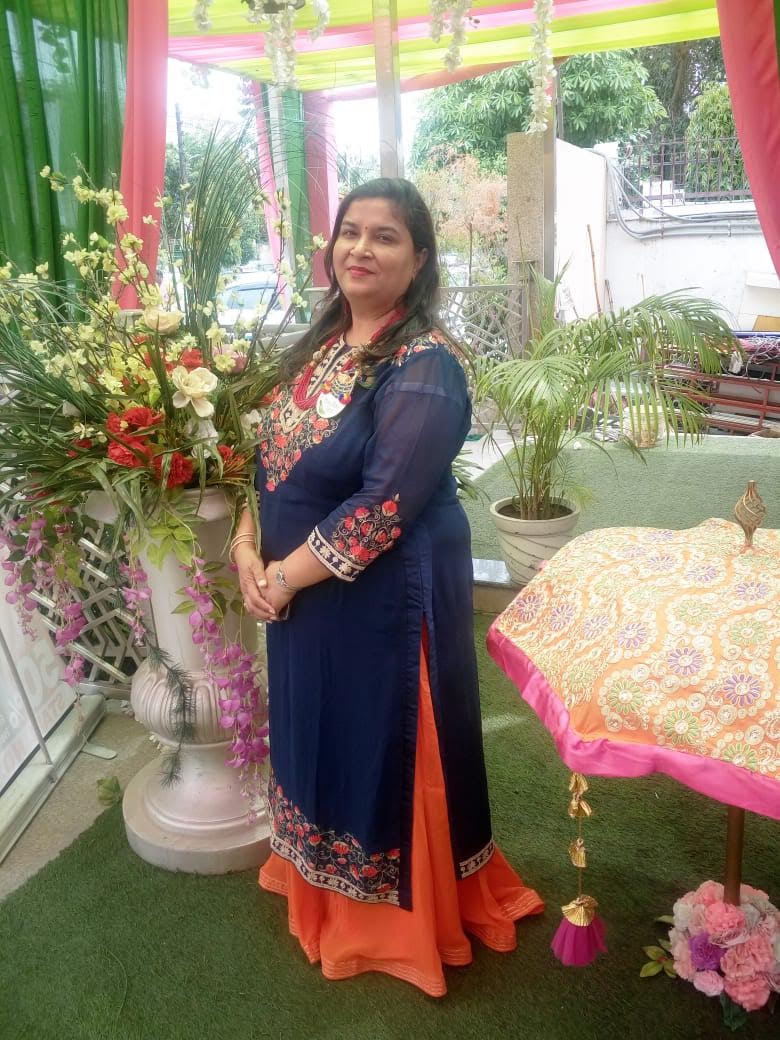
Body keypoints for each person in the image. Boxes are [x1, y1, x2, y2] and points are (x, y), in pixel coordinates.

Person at [231, 178, 543, 998]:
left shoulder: (426, 366)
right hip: (299, 594)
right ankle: (318, 879)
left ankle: (395, 921)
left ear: (420, 259)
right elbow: (262, 459)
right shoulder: (317, 345)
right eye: (350, 232)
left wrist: (279, 576)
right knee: (315, 728)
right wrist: (245, 551)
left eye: (385, 236)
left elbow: (381, 509)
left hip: (384, 602)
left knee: (377, 741)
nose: (360, 248)